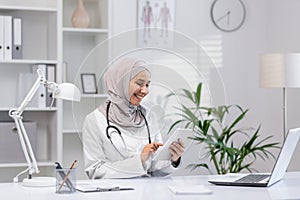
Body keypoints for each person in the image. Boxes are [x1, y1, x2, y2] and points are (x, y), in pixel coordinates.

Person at [82, 57, 185, 179]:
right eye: (140, 83)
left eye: (147, 85)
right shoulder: (94, 120)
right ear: (121, 82)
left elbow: (154, 168)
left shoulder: (149, 117)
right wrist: (140, 160)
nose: (145, 91)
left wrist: (173, 159)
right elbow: (95, 171)